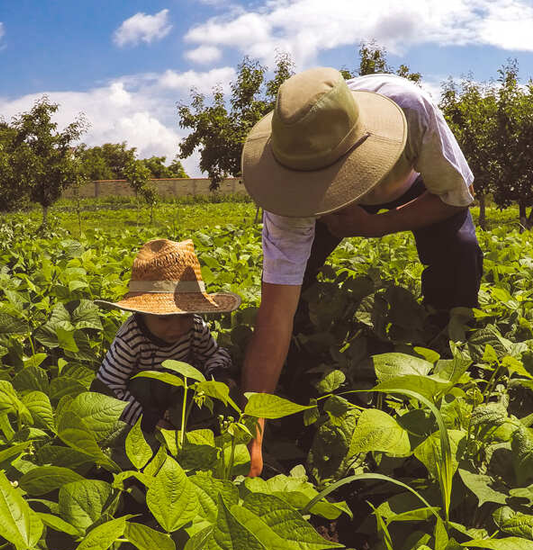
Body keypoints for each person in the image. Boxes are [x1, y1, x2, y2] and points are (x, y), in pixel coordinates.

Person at [238, 67, 483, 477]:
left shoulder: (410, 110)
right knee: (291, 300)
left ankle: (447, 342)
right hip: (315, 202)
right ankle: (298, 359)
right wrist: (253, 429)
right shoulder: (287, 183)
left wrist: (375, 225)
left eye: (334, 181)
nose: (332, 192)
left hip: (417, 189)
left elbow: (457, 196)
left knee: (460, 252)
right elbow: (273, 312)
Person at [95, 238, 241, 433]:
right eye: (164, 318)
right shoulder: (131, 338)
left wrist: (218, 375)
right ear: (142, 313)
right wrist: (147, 420)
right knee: (142, 385)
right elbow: (107, 387)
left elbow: (214, 354)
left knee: (226, 388)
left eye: (185, 316)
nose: (177, 327)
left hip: (183, 401)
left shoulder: (195, 327)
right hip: (143, 406)